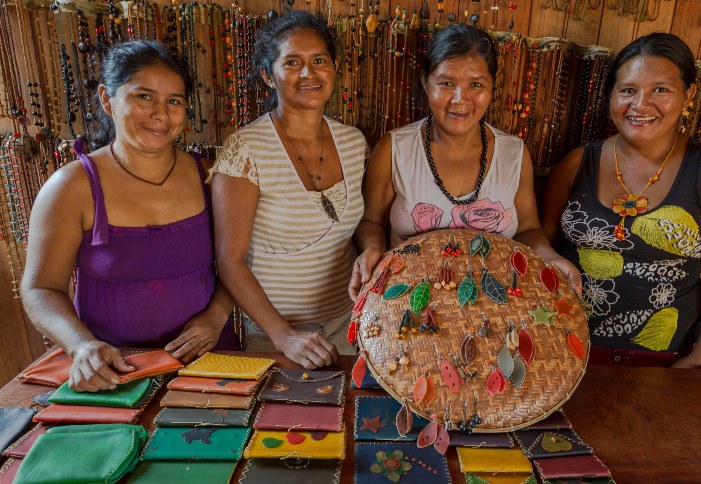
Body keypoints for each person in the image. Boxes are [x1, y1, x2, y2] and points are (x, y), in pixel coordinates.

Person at [20, 41, 240, 392]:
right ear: (107, 99)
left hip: (208, 360)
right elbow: (40, 288)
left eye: (174, 101)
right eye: (144, 96)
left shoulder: (211, 176)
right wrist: (81, 346)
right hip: (112, 371)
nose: (161, 114)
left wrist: (215, 318)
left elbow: (239, 260)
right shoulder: (71, 187)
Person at [541, 33, 701, 368]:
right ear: (611, 96)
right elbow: (539, 246)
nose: (640, 104)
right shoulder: (578, 163)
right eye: (628, 90)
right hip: (564, 352)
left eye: (660, 90)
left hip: (665, 361)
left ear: (688, 95)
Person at [349, 23, 581, 300]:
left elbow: (528, 229)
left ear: (492, 86)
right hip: (409, 300)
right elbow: (371, 220)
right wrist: (372, 248)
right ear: (425, 82)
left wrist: (550, 258)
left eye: (476, 84)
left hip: (495, 302)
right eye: (446, 83)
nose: (460, 99)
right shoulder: (395, 148)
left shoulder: (513, 153)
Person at [211, 10, 367, 369]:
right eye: (293, 62)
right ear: (268, 75)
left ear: (334, 67)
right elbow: (229, 262)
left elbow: (358, 231)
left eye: (319, 61)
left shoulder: (354, 143)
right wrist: (283, 336)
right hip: (274, 335)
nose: (308, 74)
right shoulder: (246, 150)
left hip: (348, 326)